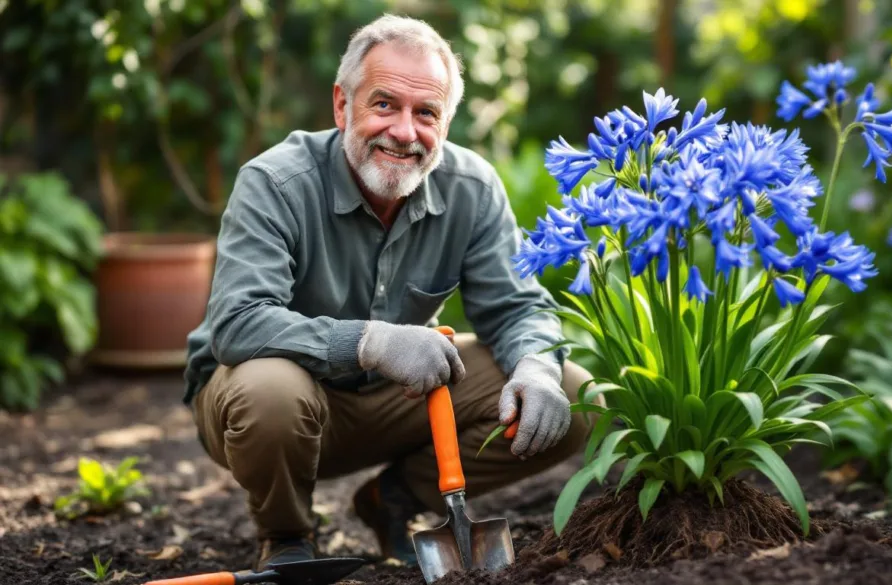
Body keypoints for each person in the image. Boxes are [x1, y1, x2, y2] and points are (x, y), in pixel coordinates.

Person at [181, 13, 596, 571]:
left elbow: (516, 306)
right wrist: (372, 342)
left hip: (393, 401)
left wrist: (537, 365)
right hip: (269, 409)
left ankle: (394, 501)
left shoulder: (472, 189)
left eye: (426, 113)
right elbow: (238, 324)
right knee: (271, 390)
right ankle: (286, 538)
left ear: (446, 123)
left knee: (572, 394)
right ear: (341, 105)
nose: (405, 131)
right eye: (384, 105)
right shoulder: (276, 182)